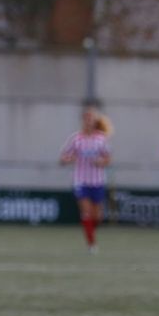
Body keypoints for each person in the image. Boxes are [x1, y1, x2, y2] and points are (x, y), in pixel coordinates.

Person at [59, 105, 112, 254]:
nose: (89, 121)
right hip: (81, 181)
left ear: (95, 121)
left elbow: (108, 158)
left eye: (91, 118)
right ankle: (91, 244)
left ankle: (90, 232)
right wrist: (70, 159)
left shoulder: (101, 139)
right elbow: (63, 158)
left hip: (98, 181)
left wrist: (101, 162)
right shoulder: (76, 139)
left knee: (97, 217)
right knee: (86, 212)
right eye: (86, 118)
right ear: (83, 120)